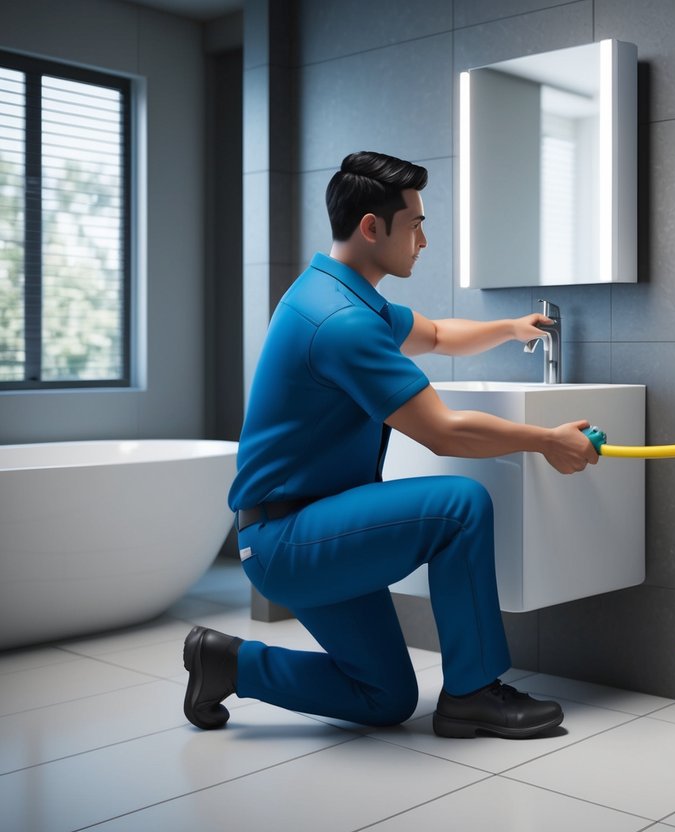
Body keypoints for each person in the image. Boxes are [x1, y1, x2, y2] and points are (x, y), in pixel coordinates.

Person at [183, 150, 598, 739]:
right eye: (416, 224)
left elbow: (435, 334)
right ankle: (473, 695)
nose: (424, 240)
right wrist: (545, 439)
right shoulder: (341, 321)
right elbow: (441, 431)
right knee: (460, 507)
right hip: (290, 539)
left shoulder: (340, 294)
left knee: (385, 695)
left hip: (301, 526)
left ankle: (225, 662)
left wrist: (510, 327)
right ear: (371, 228)